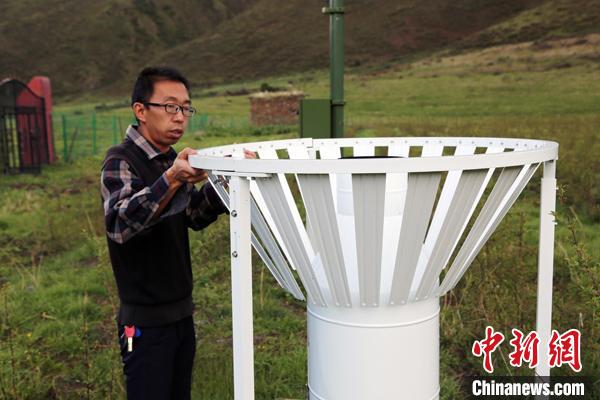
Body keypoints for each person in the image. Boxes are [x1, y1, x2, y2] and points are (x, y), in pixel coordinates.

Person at [100, 66, 252, 399]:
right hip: (144, 322)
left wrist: (231, 178)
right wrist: (171, 178)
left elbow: (194, 215)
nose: (180, 116)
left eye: (185, 108)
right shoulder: (121, 161)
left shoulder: (168, 159)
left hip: (181, 314)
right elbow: (120, 224)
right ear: (140, 110)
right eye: (170, 106)